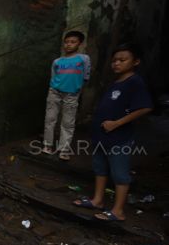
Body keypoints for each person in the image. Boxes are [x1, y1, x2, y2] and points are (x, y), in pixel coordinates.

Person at [72, 43, 153, 221]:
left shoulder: (135, 82)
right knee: (100, 168)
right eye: (115, 60)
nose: (117, 63)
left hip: (119, 137)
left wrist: (117, 123)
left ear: (136, 62)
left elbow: (145, 107)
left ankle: (118, 211)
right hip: (102, 135)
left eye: (122, 60)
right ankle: (98, 200)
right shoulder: (116, 82)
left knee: (120, 173)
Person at [42, 31, 91, 161]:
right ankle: (47, 145)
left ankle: (64, 150)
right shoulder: (57, 61)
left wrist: (77, 90)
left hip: (72, 94)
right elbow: (53, 77)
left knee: (68, 122)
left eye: (73, 42)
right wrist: (53, 88)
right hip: (55, 92)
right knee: (50, 119)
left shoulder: (84, 59)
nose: (69, 45)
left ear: (80, 44)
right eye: (66, 42)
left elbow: (85, 77)